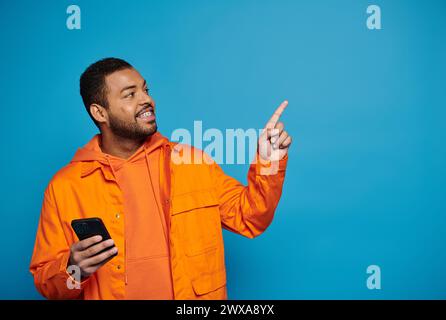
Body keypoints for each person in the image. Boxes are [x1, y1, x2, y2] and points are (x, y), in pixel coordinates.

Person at [30, 57, 292, 299]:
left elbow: (251, 217)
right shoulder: (65, 187)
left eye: (146, 90)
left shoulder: (193, 162)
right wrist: (74, 269)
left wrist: (269, 162)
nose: (146, 100)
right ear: (100, 113)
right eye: (130, 95)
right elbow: (46, 284)